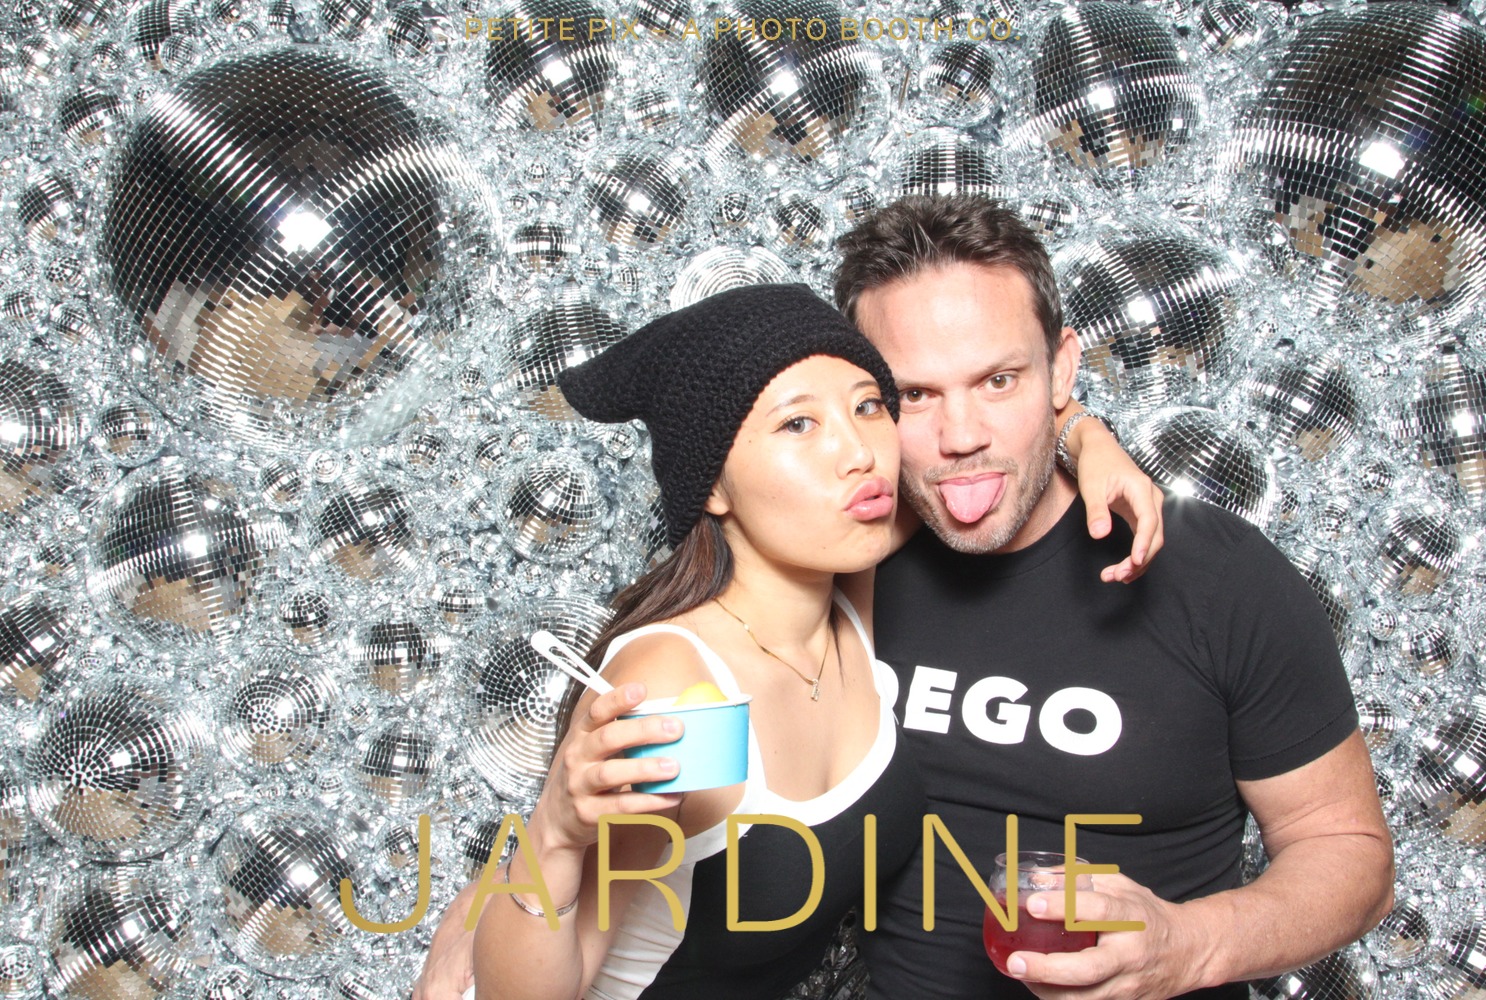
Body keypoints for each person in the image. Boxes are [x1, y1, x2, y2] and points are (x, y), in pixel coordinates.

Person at [411, 282, 1161, 1000]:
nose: (860, 452)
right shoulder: (683, 696)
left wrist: (1083, 433)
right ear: (712, 483)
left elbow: (967, 464)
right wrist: (552, 839)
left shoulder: (850, 588)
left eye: (868, 406)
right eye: (798, 424)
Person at [831, 194, 1395, 1000]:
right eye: (914, 395)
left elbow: (1351, 855)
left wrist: (1189, 946)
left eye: (999, 380)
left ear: (1062, 369)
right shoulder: (844, 563)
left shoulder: (1216, 576)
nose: (961, 436)